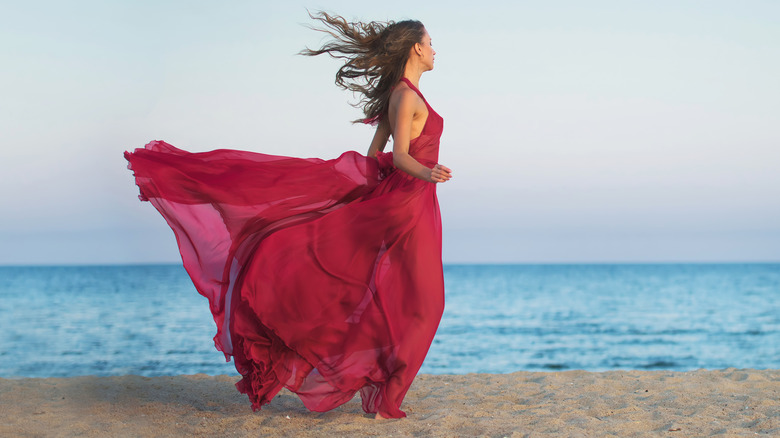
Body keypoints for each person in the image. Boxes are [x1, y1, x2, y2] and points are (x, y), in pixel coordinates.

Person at [124, 11, 451, 419]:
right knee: (424, 302)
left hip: (412, 205)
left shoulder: (407, 96)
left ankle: (379, 385)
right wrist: (427, 172)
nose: (436, 50)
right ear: (417, 48)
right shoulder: (404, 97)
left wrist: (406, 178)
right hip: (405, 206)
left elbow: (373, 157)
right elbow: (397, 154)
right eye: (431, 42)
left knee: (406, 297)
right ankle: (382, 394)